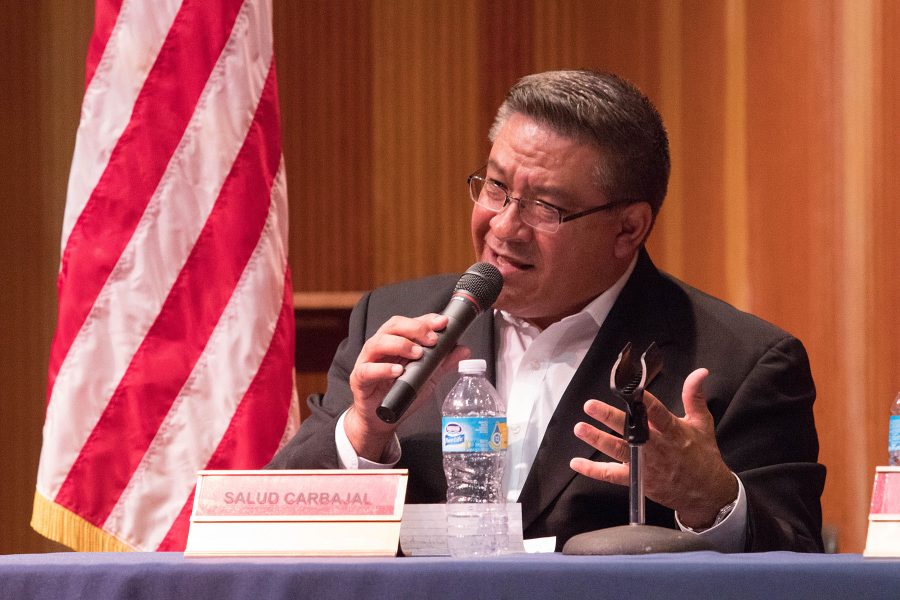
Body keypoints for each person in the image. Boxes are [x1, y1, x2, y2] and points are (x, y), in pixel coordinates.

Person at [269, 70, 825, 552]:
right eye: (495, 187)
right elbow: (276, 522)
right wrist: (361, 433)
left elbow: (800, 559)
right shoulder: (391, 318)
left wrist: (713, 502)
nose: (504, 226)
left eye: (546, 208)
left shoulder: (740, 362)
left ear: (628, 228)